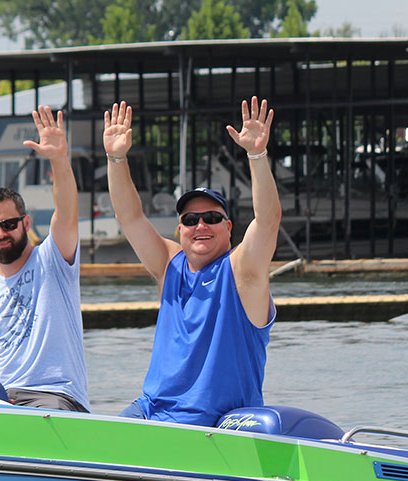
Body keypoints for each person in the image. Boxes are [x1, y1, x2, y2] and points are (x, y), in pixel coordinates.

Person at [104, 97, 281, 425]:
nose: (200, 226)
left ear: (229, 227)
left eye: (212, 218)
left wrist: (256, 155)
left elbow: (268, 221)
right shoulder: (169, 264)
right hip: (149, 409)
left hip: (208, 422)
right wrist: (116, 159)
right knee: (92, 442)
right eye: (190, 220)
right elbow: (129, 217)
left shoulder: (241, 272)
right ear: (180, 229)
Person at [0, 105, 89, 412]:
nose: (0, 233)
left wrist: (58, 159)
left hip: (56, 397)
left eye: (9, 224)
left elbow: (67, 211)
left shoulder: (54, 259)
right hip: (2, 401)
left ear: (26, 223)